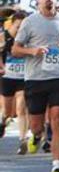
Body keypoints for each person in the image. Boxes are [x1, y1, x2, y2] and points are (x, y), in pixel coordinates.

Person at [13, 0, 59, 172]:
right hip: (35, 79)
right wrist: (33, 51)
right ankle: (36, 135)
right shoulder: (29, 22)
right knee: (37, 126)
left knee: (58, 118)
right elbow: (15, 49)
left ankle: (56, 167)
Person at [2, 9, 29, 153]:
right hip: (7, 77)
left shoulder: (28, 38)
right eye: (18, 27)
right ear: (12, 25)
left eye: (23, 27)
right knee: (8, 112)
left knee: (21, 108)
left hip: (23, 78)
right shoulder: (4, 37)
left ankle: (23, 140)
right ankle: (3, 120)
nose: (21, 30)